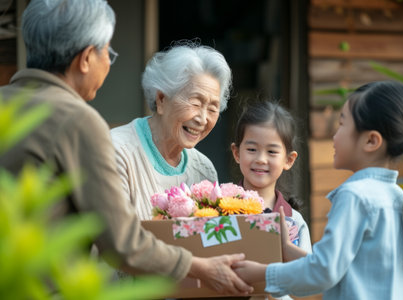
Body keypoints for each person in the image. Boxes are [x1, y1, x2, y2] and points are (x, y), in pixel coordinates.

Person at [0, 0, 252, 295]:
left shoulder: (9, 105)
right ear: (85, 59)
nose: (109, 61)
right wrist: (203, 268)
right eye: (107, 51)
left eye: (212, 107)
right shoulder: (80, 123)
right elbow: (122, 244)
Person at [232, 81, 403, 299]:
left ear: (371, 141)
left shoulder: (355, 196)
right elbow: (339, 270)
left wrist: (262, 273)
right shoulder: (398, 196)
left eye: (342, 125)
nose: (334, 136)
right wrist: (288, 251)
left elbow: (323, 272)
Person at [110, 42, 230, 221]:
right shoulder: (117, 151)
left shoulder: (204, 171)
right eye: (195, 103)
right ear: (161, 100)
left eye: (213, 108)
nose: (203, 119)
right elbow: (119, 239)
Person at [230, 101, 312, 254]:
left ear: (288, 160)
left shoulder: (294, 221)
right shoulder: (217, 211)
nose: (261, 159)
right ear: (236, 153)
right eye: (252, 149)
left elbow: (306, 273)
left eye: (272, 152)